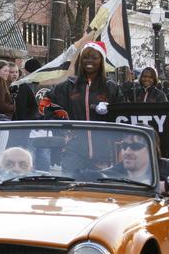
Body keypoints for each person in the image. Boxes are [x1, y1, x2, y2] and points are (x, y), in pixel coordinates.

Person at [48, 41, 124, 172]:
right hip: (73, 152)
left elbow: (123, 116)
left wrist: (111, 110)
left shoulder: (111, 88)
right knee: (71, 189)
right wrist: (62, 133)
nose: (89, 61)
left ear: (101, 61)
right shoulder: (67, 87)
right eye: (85, 57)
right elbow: (48, 108)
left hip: (104, 153)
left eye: (94, 57)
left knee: (101, 191)